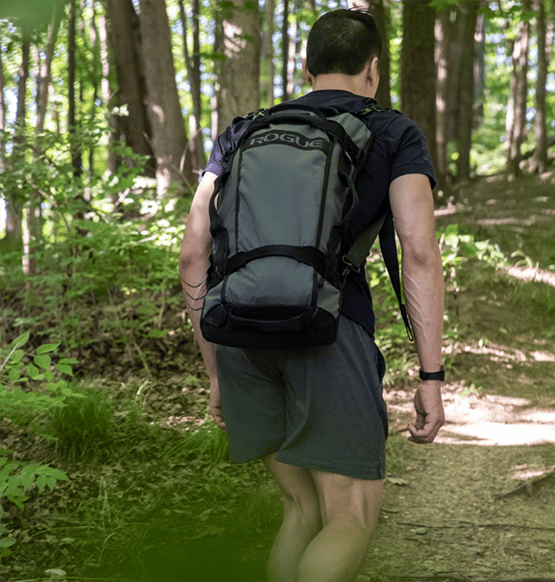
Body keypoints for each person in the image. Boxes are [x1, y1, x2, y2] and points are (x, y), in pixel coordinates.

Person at [179, 8, 445, 582]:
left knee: (300, 510)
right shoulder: (394, 132)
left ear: (306, 66)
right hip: (330, 333)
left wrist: (217, 373)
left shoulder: (243, 130)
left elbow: (193, 255)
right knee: (349, 517)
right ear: (373, 69)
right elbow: (418, 253)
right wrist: (430, 377)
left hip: (241, 338)